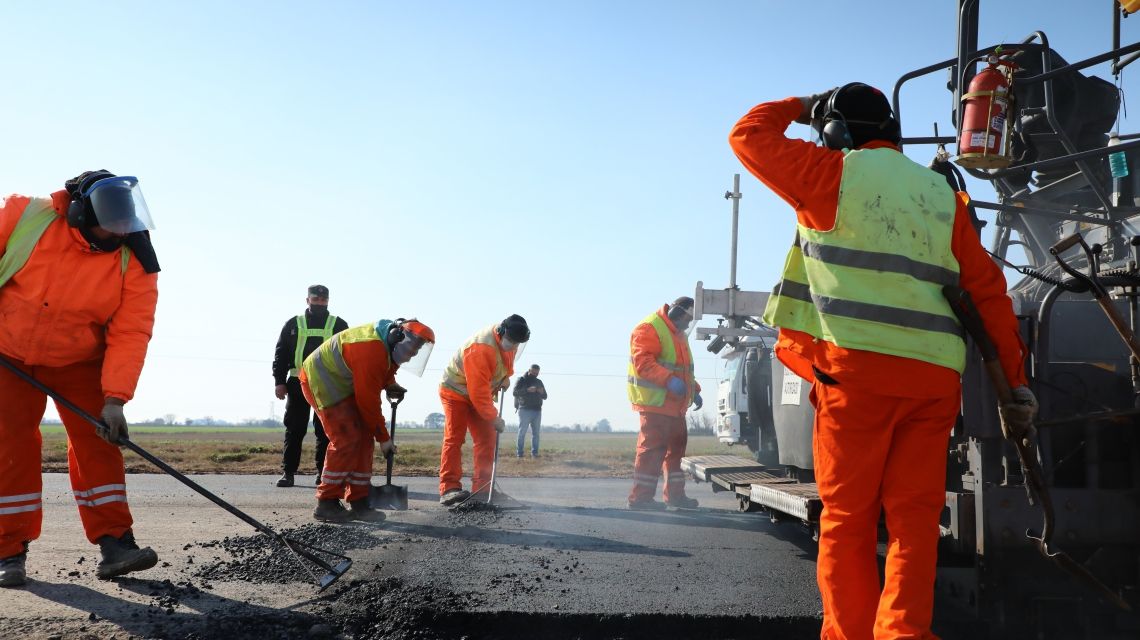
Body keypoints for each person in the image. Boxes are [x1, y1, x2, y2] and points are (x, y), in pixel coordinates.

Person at [729, 83, 1036, 639]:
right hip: (933, 383)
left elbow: (747, 134)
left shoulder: (829, 174)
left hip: (856, 380)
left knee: (847, 521)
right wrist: (1016, 389)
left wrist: (802, 105)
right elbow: (990, 295)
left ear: (836, 132)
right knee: (914, 522)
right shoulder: (942, 195)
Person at [0, 170, 163, 587]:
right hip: (7, 353)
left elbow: (131, 332)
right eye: (107, 225)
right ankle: (7, 552)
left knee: (99, 441)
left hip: (79, 361)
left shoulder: (136, 259)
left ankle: (116, 544)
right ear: (78, 212)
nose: (115, 234)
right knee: (9, 446)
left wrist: (115, 399)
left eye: (123, 226)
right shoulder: (23, 217)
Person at [299, 318, 435, 522]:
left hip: (344, 382)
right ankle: (326, 502)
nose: (411, 356)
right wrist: (384, 438)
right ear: (398, 338)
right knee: (347, 439)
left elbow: (386, 367)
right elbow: (368, 402)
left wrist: (389, 383)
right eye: (411, 349)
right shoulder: (371, 350)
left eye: (416, 351)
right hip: (322, 380)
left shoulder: (386, 344)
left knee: (364, 439)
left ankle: (359, 501)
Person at [438, 314, 530, 505]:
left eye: (517, 344)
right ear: (502, 332)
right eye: (512, 342)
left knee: (487, 438)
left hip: (479, 395)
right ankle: (449, 488)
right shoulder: (480, 348)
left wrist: (506, 377)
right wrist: (494, 417)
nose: (514, 347)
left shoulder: (510, 342)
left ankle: (482, 488)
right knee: (455, 437)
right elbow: (478, 393)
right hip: (456, 391)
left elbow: (504, 365)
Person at [626, 297, 703, 511]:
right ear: (678, 313)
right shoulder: (650, 328)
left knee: (676, 451)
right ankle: (640, 499)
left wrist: (693, 389)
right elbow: (644, 363)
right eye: (688, 319)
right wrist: (669, 381)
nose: (688, 325)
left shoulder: (677, 333)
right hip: (655, 404)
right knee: (651, 451)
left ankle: (675, 496)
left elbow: (682, 368)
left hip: (675, 406)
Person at [271, 284, 349, 488]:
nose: (319, 303)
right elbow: (281, 354)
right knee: (294, 429)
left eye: (323, 301)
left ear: (328, 301)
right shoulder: (293, 324)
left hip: (328, 384)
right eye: (316, 300)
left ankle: (322, 473)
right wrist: (279, 382)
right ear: (308, 300)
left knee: (325, 430)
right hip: (298, 383)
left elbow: (348, 356)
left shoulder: (339, 324)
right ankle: (288, 473)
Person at [513, 364, 547, 458]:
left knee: (536, 434)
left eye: (537, 373)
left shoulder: (539, 382)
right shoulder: (521, 380)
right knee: (522, 432)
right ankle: (519, 454)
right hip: (524, 409)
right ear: (529, 370)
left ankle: (534, 454)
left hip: (537, 410)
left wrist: (542, 392)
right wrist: (527, 390)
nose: (535, 374)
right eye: (533, 372)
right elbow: (515, 392)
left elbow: (545, 396)